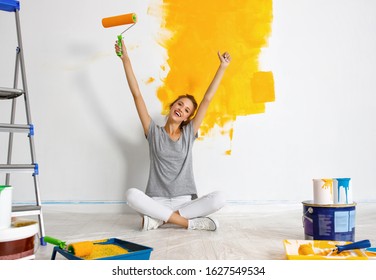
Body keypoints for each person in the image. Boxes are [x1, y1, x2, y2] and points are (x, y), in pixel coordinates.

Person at [115, 39, 231, 231]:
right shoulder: (152, 132)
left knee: (220, 198)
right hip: (156, 202)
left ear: (187, 117)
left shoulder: (189, 134)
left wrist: (223, 67)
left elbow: (207, 99)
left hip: (185, 203)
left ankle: (158, 221)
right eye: (180, 104)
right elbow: (137, 95)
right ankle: (187, 224)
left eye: (186, 110)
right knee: (131, 195)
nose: (181, 110)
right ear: (172, 106)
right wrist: (125, 59)